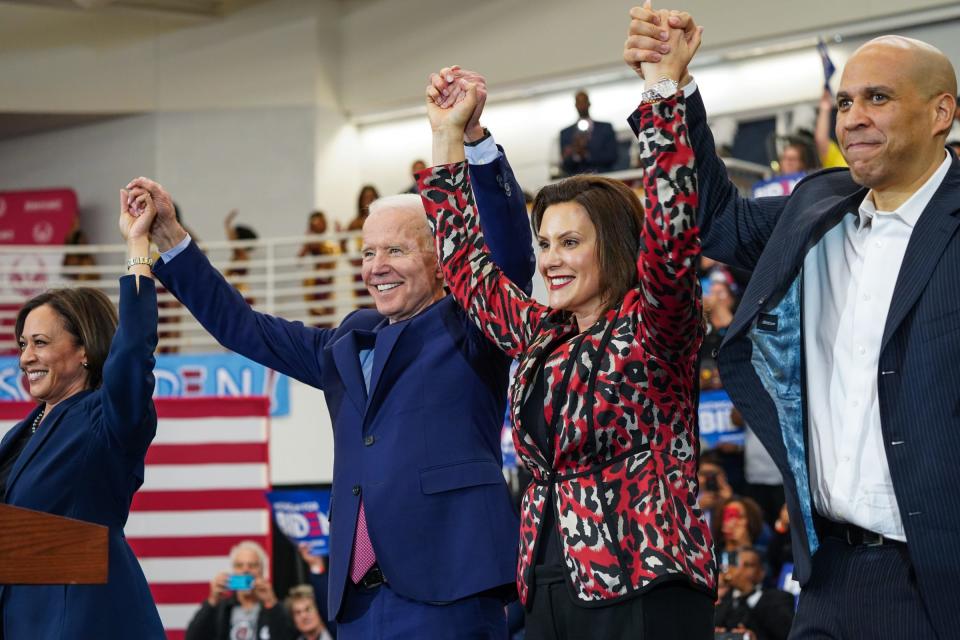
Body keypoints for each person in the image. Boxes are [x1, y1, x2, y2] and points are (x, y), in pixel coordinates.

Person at [126, 69, 534, 640]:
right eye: (368, 252)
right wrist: (172, 238)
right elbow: (242, 327)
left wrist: (472, 141)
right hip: (357, 605)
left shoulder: (471, 323)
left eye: (395, 249)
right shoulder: (343, 342)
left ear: (444, 259)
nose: (376, 266)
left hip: (451, 588)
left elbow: (511, 254)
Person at [626, 7, 960, 637]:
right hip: (824, 574)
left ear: (940, 113)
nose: (854, 117)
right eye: (845, 102)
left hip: (936, 583)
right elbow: (711, 217)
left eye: (878, 98)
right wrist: (669, 87)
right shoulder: (814, 209)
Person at [419, 19, 714, 639]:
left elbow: (672, 222)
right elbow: (465, 267)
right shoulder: (538, 334)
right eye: (544, 242)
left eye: (570, 241)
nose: (549, 258)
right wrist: (450, 137)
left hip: (646, 580)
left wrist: (662, 91)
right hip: (548, 584)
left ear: (612, 245)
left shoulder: (657, 322)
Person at [0, 190, 163, 638]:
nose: (25, 357)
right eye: (22, 344)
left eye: (40, 343)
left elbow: (132, 351)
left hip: (83, 619)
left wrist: (137, 248)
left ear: (86, 350)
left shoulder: (107, 419)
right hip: (23, 616)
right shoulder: (24, 433)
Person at [185, 540, 295, 640]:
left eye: (252, 565)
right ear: (233, 571)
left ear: (262, 572)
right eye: (239, 565)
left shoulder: (274, 608)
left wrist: (271, 604)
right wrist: (212, 601)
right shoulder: (222, 609)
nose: (245, 570)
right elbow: (193, 637)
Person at [714, 547, 795, 640]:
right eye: (737, 565)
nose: (740, 571)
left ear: (761, 573)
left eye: (748, 565)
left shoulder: (779, 599)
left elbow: (787, 634)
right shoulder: (722, 598)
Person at [558, 90, 619, 175]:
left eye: (584, 102)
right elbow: (564, 165)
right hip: (577, 181)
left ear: (589, 104)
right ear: (575, 106)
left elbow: (612, 156)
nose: (582, 106)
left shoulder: (605, 128)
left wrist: (587, 155)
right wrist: (576, 155)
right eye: (579, 103)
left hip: (602, 177)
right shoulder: (566, 133)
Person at [298, 210, 339, 325]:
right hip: (315, 286)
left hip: (328, 285)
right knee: (318, 319)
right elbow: (300, 259)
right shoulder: (311, 243)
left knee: (329, 319)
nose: (321, 224)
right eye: (317, 222)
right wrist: (309, 240)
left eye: (323, 221)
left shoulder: (329, 243)